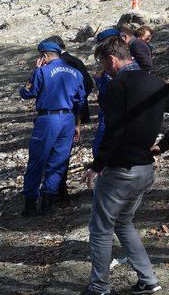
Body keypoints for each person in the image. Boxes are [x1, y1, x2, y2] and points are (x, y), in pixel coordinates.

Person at [70, 37, 169, 295]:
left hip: (120, 169)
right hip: (145, 168)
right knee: (123, 223)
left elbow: (114, 130)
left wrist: (97, 165)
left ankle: (99, 289)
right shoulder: (155, 82)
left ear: (112, 59)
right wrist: (164, 145)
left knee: (100, 229)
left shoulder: (116, 86)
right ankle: (148, 279)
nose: (102, 70)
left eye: (102, 63)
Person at [20, 41, 85, 217]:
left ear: (44, 56)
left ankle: (30, 203)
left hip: (48, 119)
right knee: (59, 161)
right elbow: (80, 101)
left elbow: (27, 93)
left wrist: (34, 73)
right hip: (68, 119)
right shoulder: (76, 73)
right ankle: (47, 201)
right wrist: (77, 124)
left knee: (37, 161)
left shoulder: (42, 71)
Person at [44, 35, 95, 198]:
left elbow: (86, 85)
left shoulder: (61, 63)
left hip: (63, 113)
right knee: (62, 152)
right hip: (72, 112)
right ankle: (58, 189)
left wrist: (70, 102)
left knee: (58, 152)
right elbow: (88, 84)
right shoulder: (75, 61)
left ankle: (57, 191)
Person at [92, 28, 121, 158]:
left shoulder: (117, 62)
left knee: (100, 143)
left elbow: (109, 88)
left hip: (111, 109)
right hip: (107, 108)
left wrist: (99, 80)